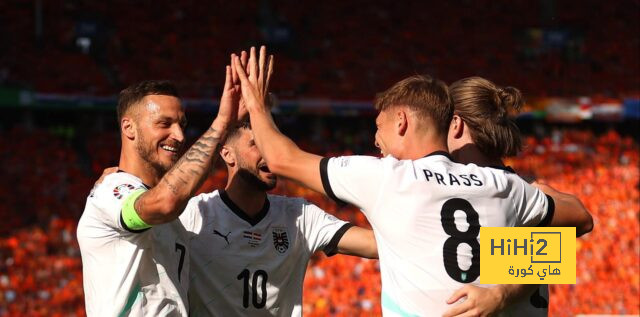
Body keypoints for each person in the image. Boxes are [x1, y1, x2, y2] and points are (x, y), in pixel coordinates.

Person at [233, 56, 592, 316]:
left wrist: (256, 105)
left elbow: (284, 159)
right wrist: (503, 284)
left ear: (452, 125)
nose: (376, 140)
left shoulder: (390, 178)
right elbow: (575, 227)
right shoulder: (511, 187)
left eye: (379, 127)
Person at [77, 63, 247, 316]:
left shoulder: (176, 217)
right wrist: (221, 123)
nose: (179, 135)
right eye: (164, 123)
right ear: (128, 128)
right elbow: (164, 201)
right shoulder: (109, 192)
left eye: (182, 124)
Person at [179, 120, 378, 316]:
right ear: (227, 154)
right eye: (256, 144)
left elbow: (373, 244)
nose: (268, 152)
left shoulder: (300, 215)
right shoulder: (195, 214)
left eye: (270, 143)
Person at [442, 76, 593, 317]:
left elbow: (581, 221)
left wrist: (500, 292)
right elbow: (562, 243)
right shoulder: (521, 189)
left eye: (440, 125)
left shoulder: (505, 192)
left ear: (456, 123)